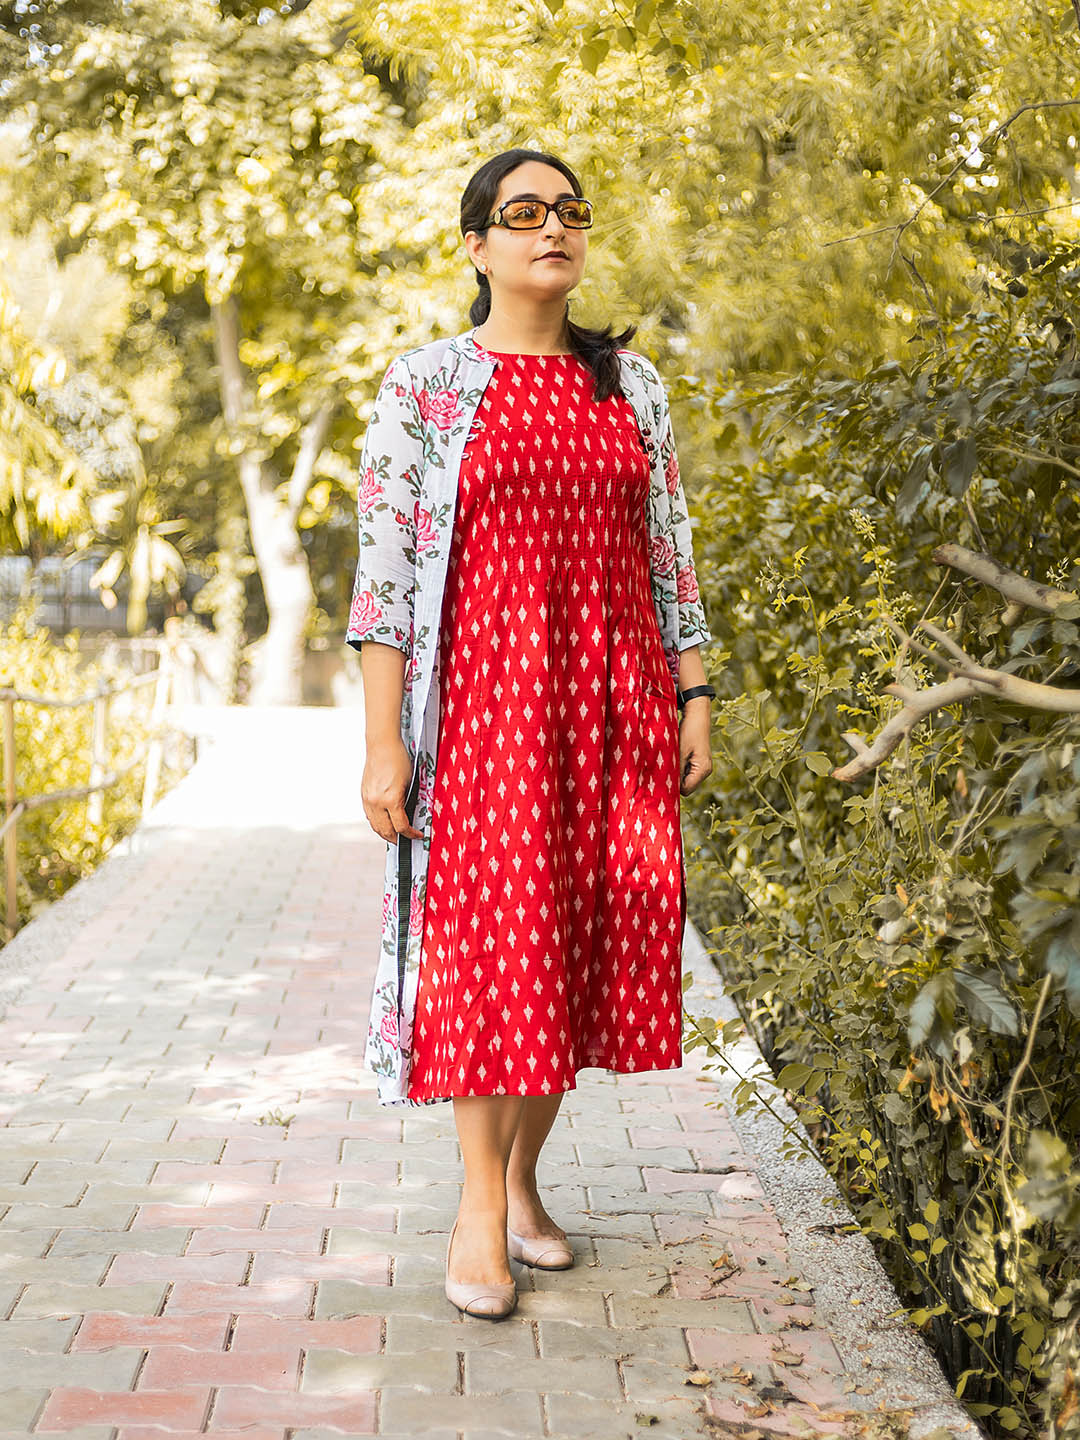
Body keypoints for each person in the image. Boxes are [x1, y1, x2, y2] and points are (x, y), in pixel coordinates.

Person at [346, 147, 715, 1319]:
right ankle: (473, 1208)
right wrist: (383, 743)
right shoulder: (428, 386)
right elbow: (385, 583)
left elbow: (669, 550)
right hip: (489, 710)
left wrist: (692, 692)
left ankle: (522, 1183)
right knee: (495, 949)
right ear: (477, 244)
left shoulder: (631, 385)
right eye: (521, 213)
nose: (549, 228)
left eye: (566, 212)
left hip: (612, 703)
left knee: (588, 941)